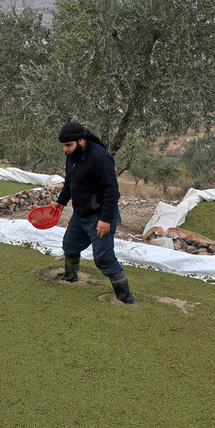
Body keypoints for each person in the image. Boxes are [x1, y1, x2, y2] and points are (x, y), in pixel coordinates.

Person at [54, 122, 134, 304]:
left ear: (81, 140)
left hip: (100, 216)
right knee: (70, 245)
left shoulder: (100, 157)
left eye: (68, 145)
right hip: (80, 213)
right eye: (64, 146)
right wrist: (61, 202)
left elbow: (111, 191)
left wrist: (105, 219)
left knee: (104, 257)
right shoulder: (72, 155)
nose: (65, 150)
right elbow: (70, 181)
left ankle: (125, 298)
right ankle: (70, 277)